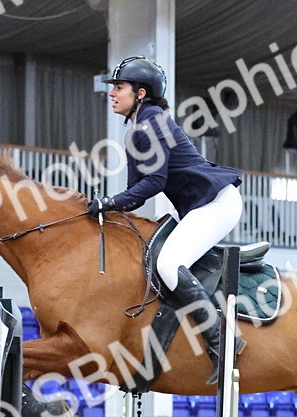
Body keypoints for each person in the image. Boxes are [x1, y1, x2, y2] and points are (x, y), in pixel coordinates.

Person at [89, 56, 244, 384]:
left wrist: (110, 202)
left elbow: (155, 183)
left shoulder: (153, 122)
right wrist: (108, 207)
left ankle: (223, 341)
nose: (112, 93)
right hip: (198, 205)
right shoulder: (136, 128)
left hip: (217, 203)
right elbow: (136, 192)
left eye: (119, 87)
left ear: (141, 93)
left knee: (169, 265)